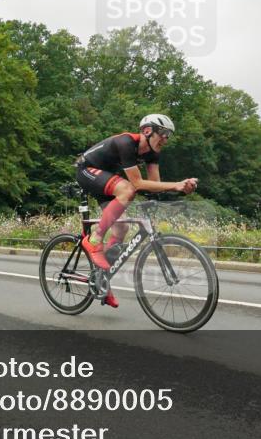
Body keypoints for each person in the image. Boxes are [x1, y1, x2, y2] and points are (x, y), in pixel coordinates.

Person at [76, 114, 198, 308]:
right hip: (87, 170)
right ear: (147, 131)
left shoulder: (153, 153)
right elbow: (138, 183)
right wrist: (175, 184)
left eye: (169, 136)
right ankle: (94, 240)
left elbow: (154, 186)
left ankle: (101, 280)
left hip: (107, 179)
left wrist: (182, 190)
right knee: (128, 189)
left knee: (121, 230)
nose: (166, 139)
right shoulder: (126, 143)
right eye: (164, 134)